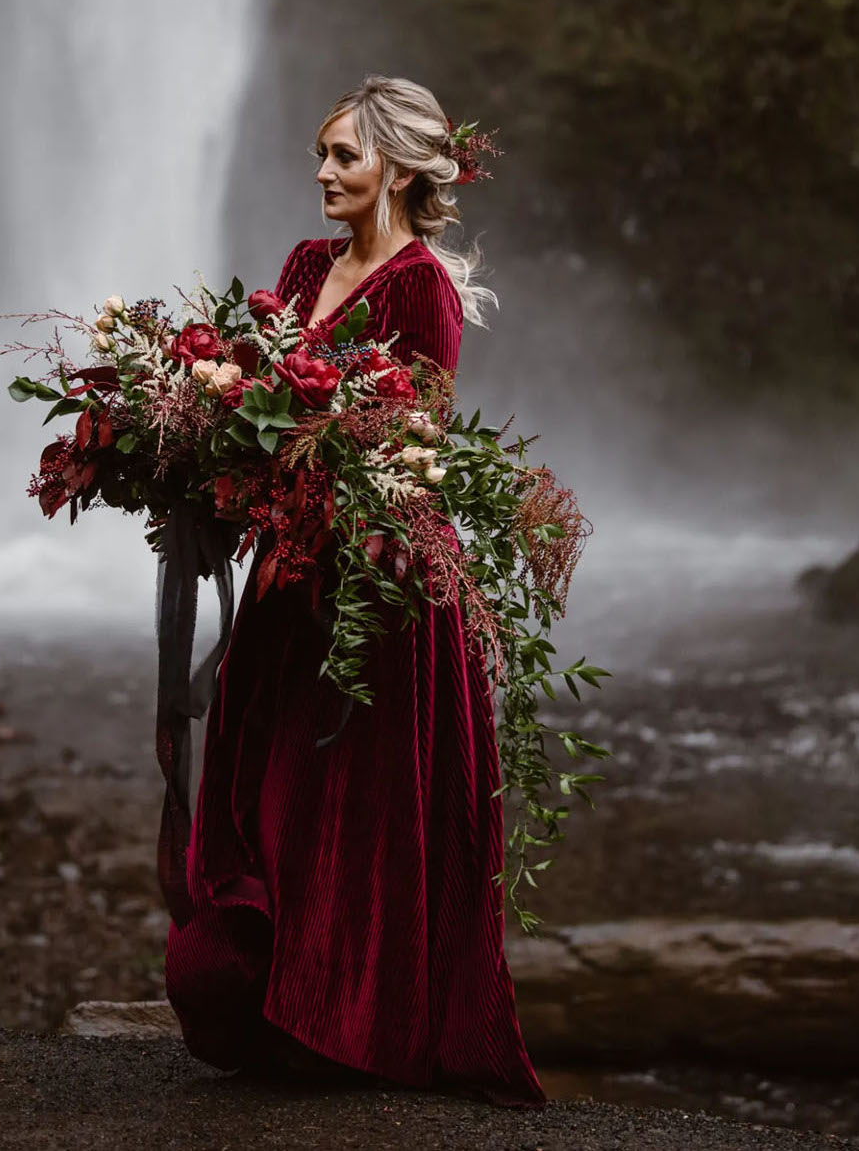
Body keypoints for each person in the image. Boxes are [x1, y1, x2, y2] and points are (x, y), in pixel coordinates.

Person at [162, 74, 547, 1108]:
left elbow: (412, 441)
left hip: (380, 578)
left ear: (399, 168)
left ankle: (342, 1024)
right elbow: (260, 397)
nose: (324, 173)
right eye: (320, 156)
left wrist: (313, 476)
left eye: (344, 156)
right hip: (291, 569)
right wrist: (203, 453)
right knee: (265, 790)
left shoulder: (422, 287)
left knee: (350, 808)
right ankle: (267, 1001)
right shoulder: (304, 265)